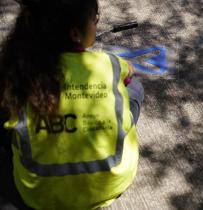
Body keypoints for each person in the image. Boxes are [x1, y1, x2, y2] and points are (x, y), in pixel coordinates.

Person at [0, 0, 144, 209]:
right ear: (76, 34)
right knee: (135, 89)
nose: (96, 25)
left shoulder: (19, 69)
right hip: (108, 184)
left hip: (37, 195)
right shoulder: (109, 64)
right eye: (95, 20)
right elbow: (129, 73)